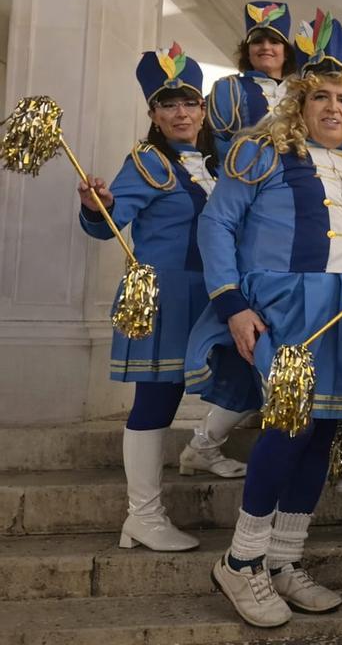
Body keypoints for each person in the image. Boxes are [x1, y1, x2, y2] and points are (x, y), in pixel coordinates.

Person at [185, 11, 342, 627]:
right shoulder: (259, 150)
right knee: (289, 428)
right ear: (300, 102)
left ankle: (282, 559)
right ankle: (241, 563)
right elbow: (216, 223)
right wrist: (233, 304)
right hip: (282, 310)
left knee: (323, 436)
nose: (332, 108)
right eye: (320, 96)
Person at [79, 44, 250, 552]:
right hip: (168, 293)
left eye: (189, 102)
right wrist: (99, 205)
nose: (181, 112)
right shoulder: (146, 161)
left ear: (202, 109)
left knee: (244, 374)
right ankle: (143, 516)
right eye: (168, 104)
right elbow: (108, 227)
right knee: (159, 398)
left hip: (220, 293)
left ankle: (202, 447)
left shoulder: (222, 162)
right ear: (154, 114)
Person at [206, 1, 296, 159]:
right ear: (247, 51)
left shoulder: (299, 92)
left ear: (286, 52)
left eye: (274, 42)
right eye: (257, 41)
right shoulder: (229, 88)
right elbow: (214, 141)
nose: (266, 47)